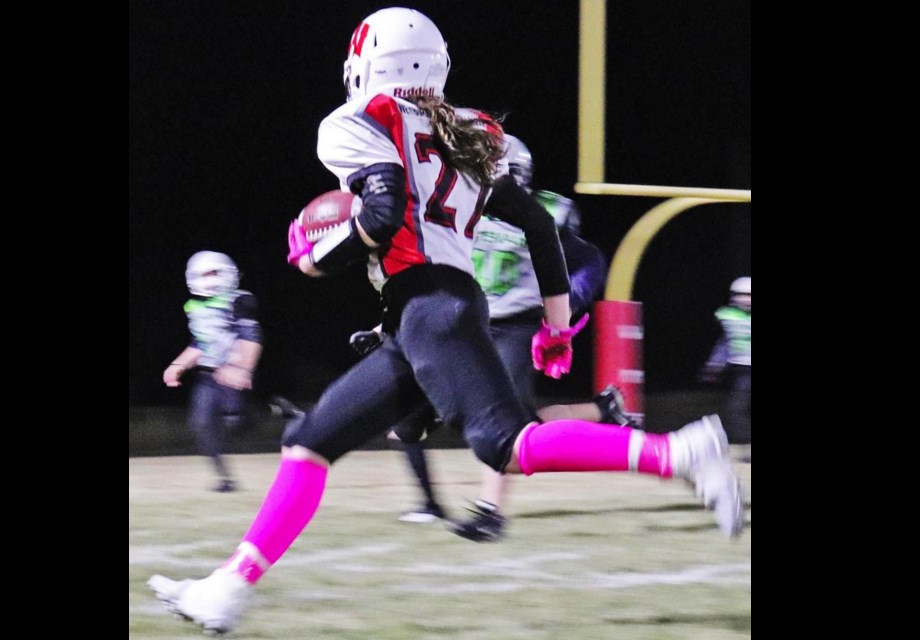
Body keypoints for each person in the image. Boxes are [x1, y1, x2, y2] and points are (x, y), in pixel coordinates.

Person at [149, 8, 743, 633]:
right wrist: (559, 324)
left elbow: (381, 213)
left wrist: (317, 257)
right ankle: (227, 589)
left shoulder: (357, 123)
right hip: (429, 312)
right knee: (309, 443)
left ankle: (680, 452)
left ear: (367, 63)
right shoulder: (469, 131)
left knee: (507, 444)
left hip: (433, 309)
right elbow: (539, 227)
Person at [351, 134, 631, 541]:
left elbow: (589, 261)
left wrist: (565, 308)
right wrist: (388, 325)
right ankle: (602, 410)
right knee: (407, 421)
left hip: (515, 324)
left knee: (507, 425)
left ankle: (491, 512)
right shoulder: (457, 211)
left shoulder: (541, 213)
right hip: (463, 318)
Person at [162, 250, 264, 493]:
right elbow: (200, 343)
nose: (210, 279)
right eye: (204, 274)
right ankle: (225, 479)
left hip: (232, 375)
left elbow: (251, 336)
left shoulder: (239, 300)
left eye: (214, 272)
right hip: (208, 376)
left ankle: (269, 410)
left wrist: (242, 368)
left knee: (236, 423)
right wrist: (178, 365)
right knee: (200, 424)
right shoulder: (194, 307)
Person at [700, 276, 751, 453]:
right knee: (737, 408)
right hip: (740, 369)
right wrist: (714, 365)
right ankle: (746, 446)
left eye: (749, 295)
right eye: (741, 295)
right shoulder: (729, 316)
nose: (746, 300)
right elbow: (724, 343)